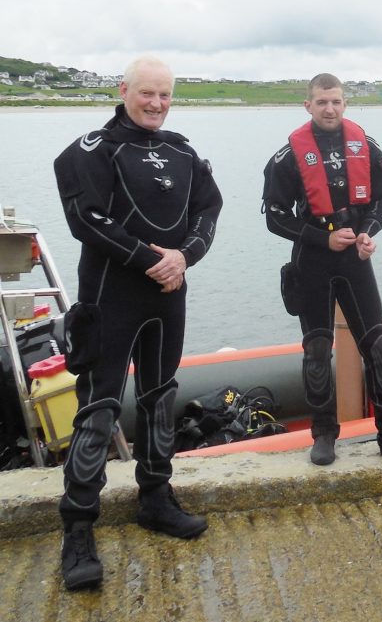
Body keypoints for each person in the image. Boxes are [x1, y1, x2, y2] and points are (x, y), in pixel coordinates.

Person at [52, 56, 223, 591]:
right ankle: (78, 528)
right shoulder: (92, 150)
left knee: (158, 396)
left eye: (165, 95)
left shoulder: (183, 152)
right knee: (99, 407)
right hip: (112, 295)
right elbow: (86, 219)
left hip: (169, 296)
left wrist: (184, 257)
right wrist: (150, 258)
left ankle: (155, 497)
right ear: (123, 90)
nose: (155, 103)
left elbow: (208, 211)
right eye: (146, 93)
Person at [263, 73, 382, 466]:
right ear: (308, 106)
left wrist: (369, 232)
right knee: (317, 351)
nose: (330, 109)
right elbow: (275, 217)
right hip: (313, 260)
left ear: (345, 103)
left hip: (356, 260)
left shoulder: (365, 147)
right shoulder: (287, 158)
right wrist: (322, 240)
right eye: (322, 102)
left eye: (335, 101)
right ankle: (323, 435)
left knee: (379, 348)